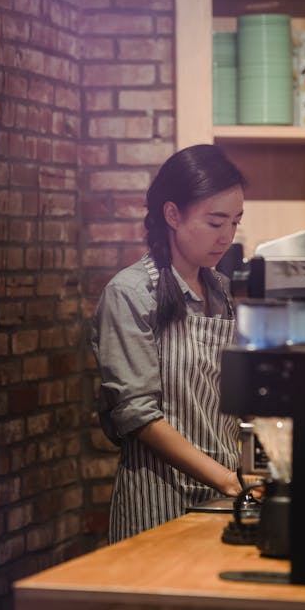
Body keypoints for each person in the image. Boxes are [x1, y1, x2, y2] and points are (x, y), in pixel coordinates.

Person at [91, 144, 246, 543]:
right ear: (173, 214)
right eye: (215, 223)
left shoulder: (224, 291)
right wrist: (228, 480)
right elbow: (140, 416)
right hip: (159, 503)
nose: (227, 237)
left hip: (222, 496)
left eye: (235, 222)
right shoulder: (130, 293)